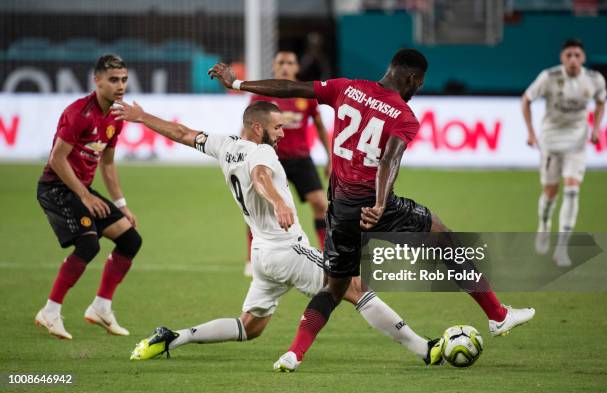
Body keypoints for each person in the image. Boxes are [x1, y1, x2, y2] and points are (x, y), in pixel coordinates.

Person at [208, 48, 535, 372]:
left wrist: (238, 85)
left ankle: (294, 354)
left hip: (340, 212)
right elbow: (390, 159)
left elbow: (292, 88)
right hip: (377, 206)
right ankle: (498, 315)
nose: (417, 90)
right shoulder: (404, 117)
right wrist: (380, 204)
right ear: (411, 77)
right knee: (447, 241)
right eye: (418, 84)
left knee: (334, 289)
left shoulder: (346, 88)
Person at [111, 100, 441, 365]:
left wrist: (142, 116)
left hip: (263, 256)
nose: (283, 133)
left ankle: (174, 337)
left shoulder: (225, 145)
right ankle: (424, 349)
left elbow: (182, 132)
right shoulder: (262, 151)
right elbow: (260, 177)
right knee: (355, 287)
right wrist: (278, 203)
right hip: (287, 250)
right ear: (258, 127)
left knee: (249, 326)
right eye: (278, 127)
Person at [34, 54, 142, 340]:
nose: (120, 86)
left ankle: (101, 308)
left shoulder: (116, 117)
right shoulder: (78, 113)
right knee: (88, 245)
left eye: (124, 80)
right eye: (113, 80)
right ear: (97, 81)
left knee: (130, 238)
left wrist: (122, 205)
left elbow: (107, 164)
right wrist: (84, 195)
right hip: (56, 187)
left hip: (81, 189)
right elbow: (57, 159)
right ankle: (50, 311)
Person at [243, 50, 331, 277]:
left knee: (321, 205)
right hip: (270, 159)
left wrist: (330, 157)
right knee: (259, 207)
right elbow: (246, 129)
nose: (285, 66)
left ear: (296, 68)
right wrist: (243, 154)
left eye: (290, 62)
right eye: (280, 62)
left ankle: (326, 255)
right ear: (274, 67)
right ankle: (252, 259)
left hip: (301, 158)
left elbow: (320, 127)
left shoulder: (306, 95)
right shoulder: (260, 95)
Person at [522, 39, 607, 265]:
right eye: (568, 55)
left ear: (583, 58)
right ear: (562, 57)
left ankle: (562, 248)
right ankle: (544, 223)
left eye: (577, 55)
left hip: (577, 141)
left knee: (572, 190)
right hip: (551, 139)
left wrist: (596, 128)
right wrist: (531, 133)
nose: (572, 59)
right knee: (550, 191)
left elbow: (600, 102)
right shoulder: (549, 77)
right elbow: (526, 99)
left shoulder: (594, 79)